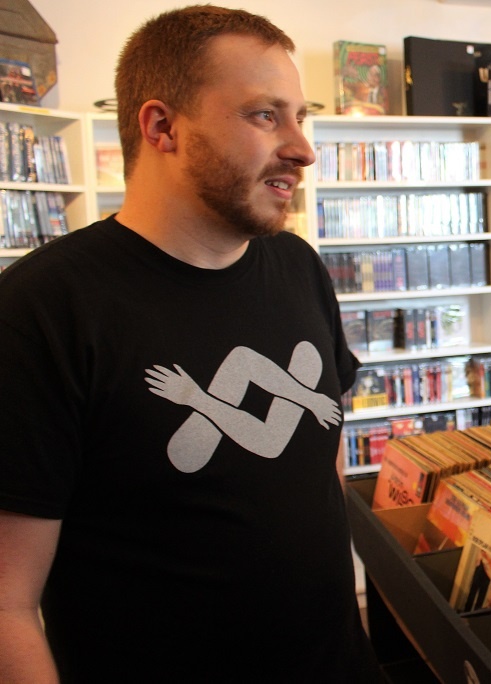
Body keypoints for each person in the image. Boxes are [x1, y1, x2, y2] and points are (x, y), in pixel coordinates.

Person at [0, 6, 384, 681]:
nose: (302, 148)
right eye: (266, 116)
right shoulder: (41, 309)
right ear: (162, 126)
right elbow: (7, 604)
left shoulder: (299, 267)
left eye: (301, 116)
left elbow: (316, 460)